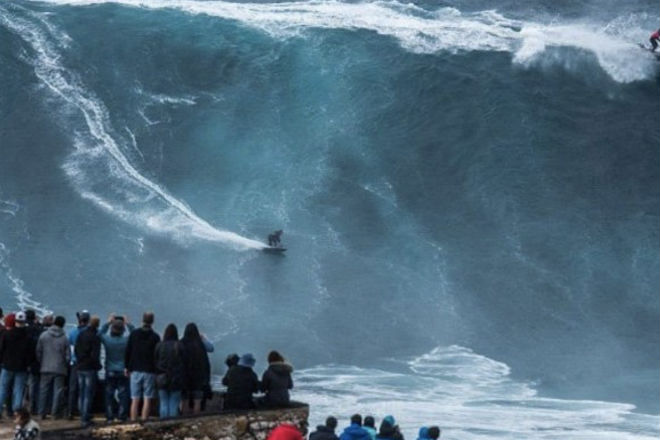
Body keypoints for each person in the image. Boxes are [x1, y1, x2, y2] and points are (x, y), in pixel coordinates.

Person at [125, 312, 160, 421]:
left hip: (135, 369)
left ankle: (133, 421)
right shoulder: (155, 337)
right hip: (149, 371)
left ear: (142, 320)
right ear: (152, 321)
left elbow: (128, 351)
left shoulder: (134, 334)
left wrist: (127, 367)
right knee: (147, 398)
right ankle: (144, 421)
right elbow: (157, 355)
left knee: (135, 399)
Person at [0, 311, 33, 419]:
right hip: (21, 368)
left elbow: (1, 349)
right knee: (18, 391)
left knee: (3, 390)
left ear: (15, 321)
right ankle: (17, 412)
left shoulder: (7, 334)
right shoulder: (28, 337)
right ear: (24, 321)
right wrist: (28, 364)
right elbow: (30, 354)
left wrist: (3, 360)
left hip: (7, 365)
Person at [36, 316, 70, 420]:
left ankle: (41, 413)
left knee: (43, 391)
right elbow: (67, 356)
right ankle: (54, 414)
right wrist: (65, 364)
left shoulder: (44, 335)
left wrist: (41, 362)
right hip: (60, 368)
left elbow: (38, 351)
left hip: (45, 366)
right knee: (58, 391)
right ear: (63, 325)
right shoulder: (64, 338)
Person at [99, 317, 131, 422]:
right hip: (123, 370)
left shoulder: (108, 340)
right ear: (122, 330)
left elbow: (99, 334)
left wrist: (107, 323)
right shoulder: (126, 341)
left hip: (110, 369)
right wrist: (128, 324)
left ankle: (109, 416)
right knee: (123, 394)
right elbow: (134, 334)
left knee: (109, 394)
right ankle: (122, 416)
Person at [74, 316, 101, 427]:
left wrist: (79, 360)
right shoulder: (95, 337)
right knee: (88, 394)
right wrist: (97, 366)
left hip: (80, 366)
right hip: (89, 368)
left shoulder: (81, 334)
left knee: (82, 392)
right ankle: (85, 417)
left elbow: (76, 349)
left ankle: (82, 414)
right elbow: (95, 355)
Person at [154, 324, 186, 419]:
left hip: (162, 377)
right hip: (176, 378)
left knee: (163, 402)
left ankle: (163, 423)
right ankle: (172, 424)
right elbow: (185, 361)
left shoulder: (159, 345)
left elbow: (155, 360)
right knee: (174, 403)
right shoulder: (179, 345)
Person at [180, 323, 210, 415]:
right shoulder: (200, 343)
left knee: (184, 400)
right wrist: (204, 338)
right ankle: (195, 419)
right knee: (197, 401)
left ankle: (182, 419)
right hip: (199, 377)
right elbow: (211, 348)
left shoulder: (182, 342)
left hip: (185, 377)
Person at [66, 310, 90, 419]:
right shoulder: (90, 333)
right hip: (86, 364)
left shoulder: (72, 332)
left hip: (75, 363)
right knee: (85, 389)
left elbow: (69, 347)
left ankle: (70, 410)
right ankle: (83, 411)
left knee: (73, 388)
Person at [24, 310, 43, 415]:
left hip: (22, 361)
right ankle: (32, 407)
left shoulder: (23, 329)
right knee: (33, 385)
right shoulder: (37, 329)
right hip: (34, 361)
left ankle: (20, 407)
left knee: (21, 386)